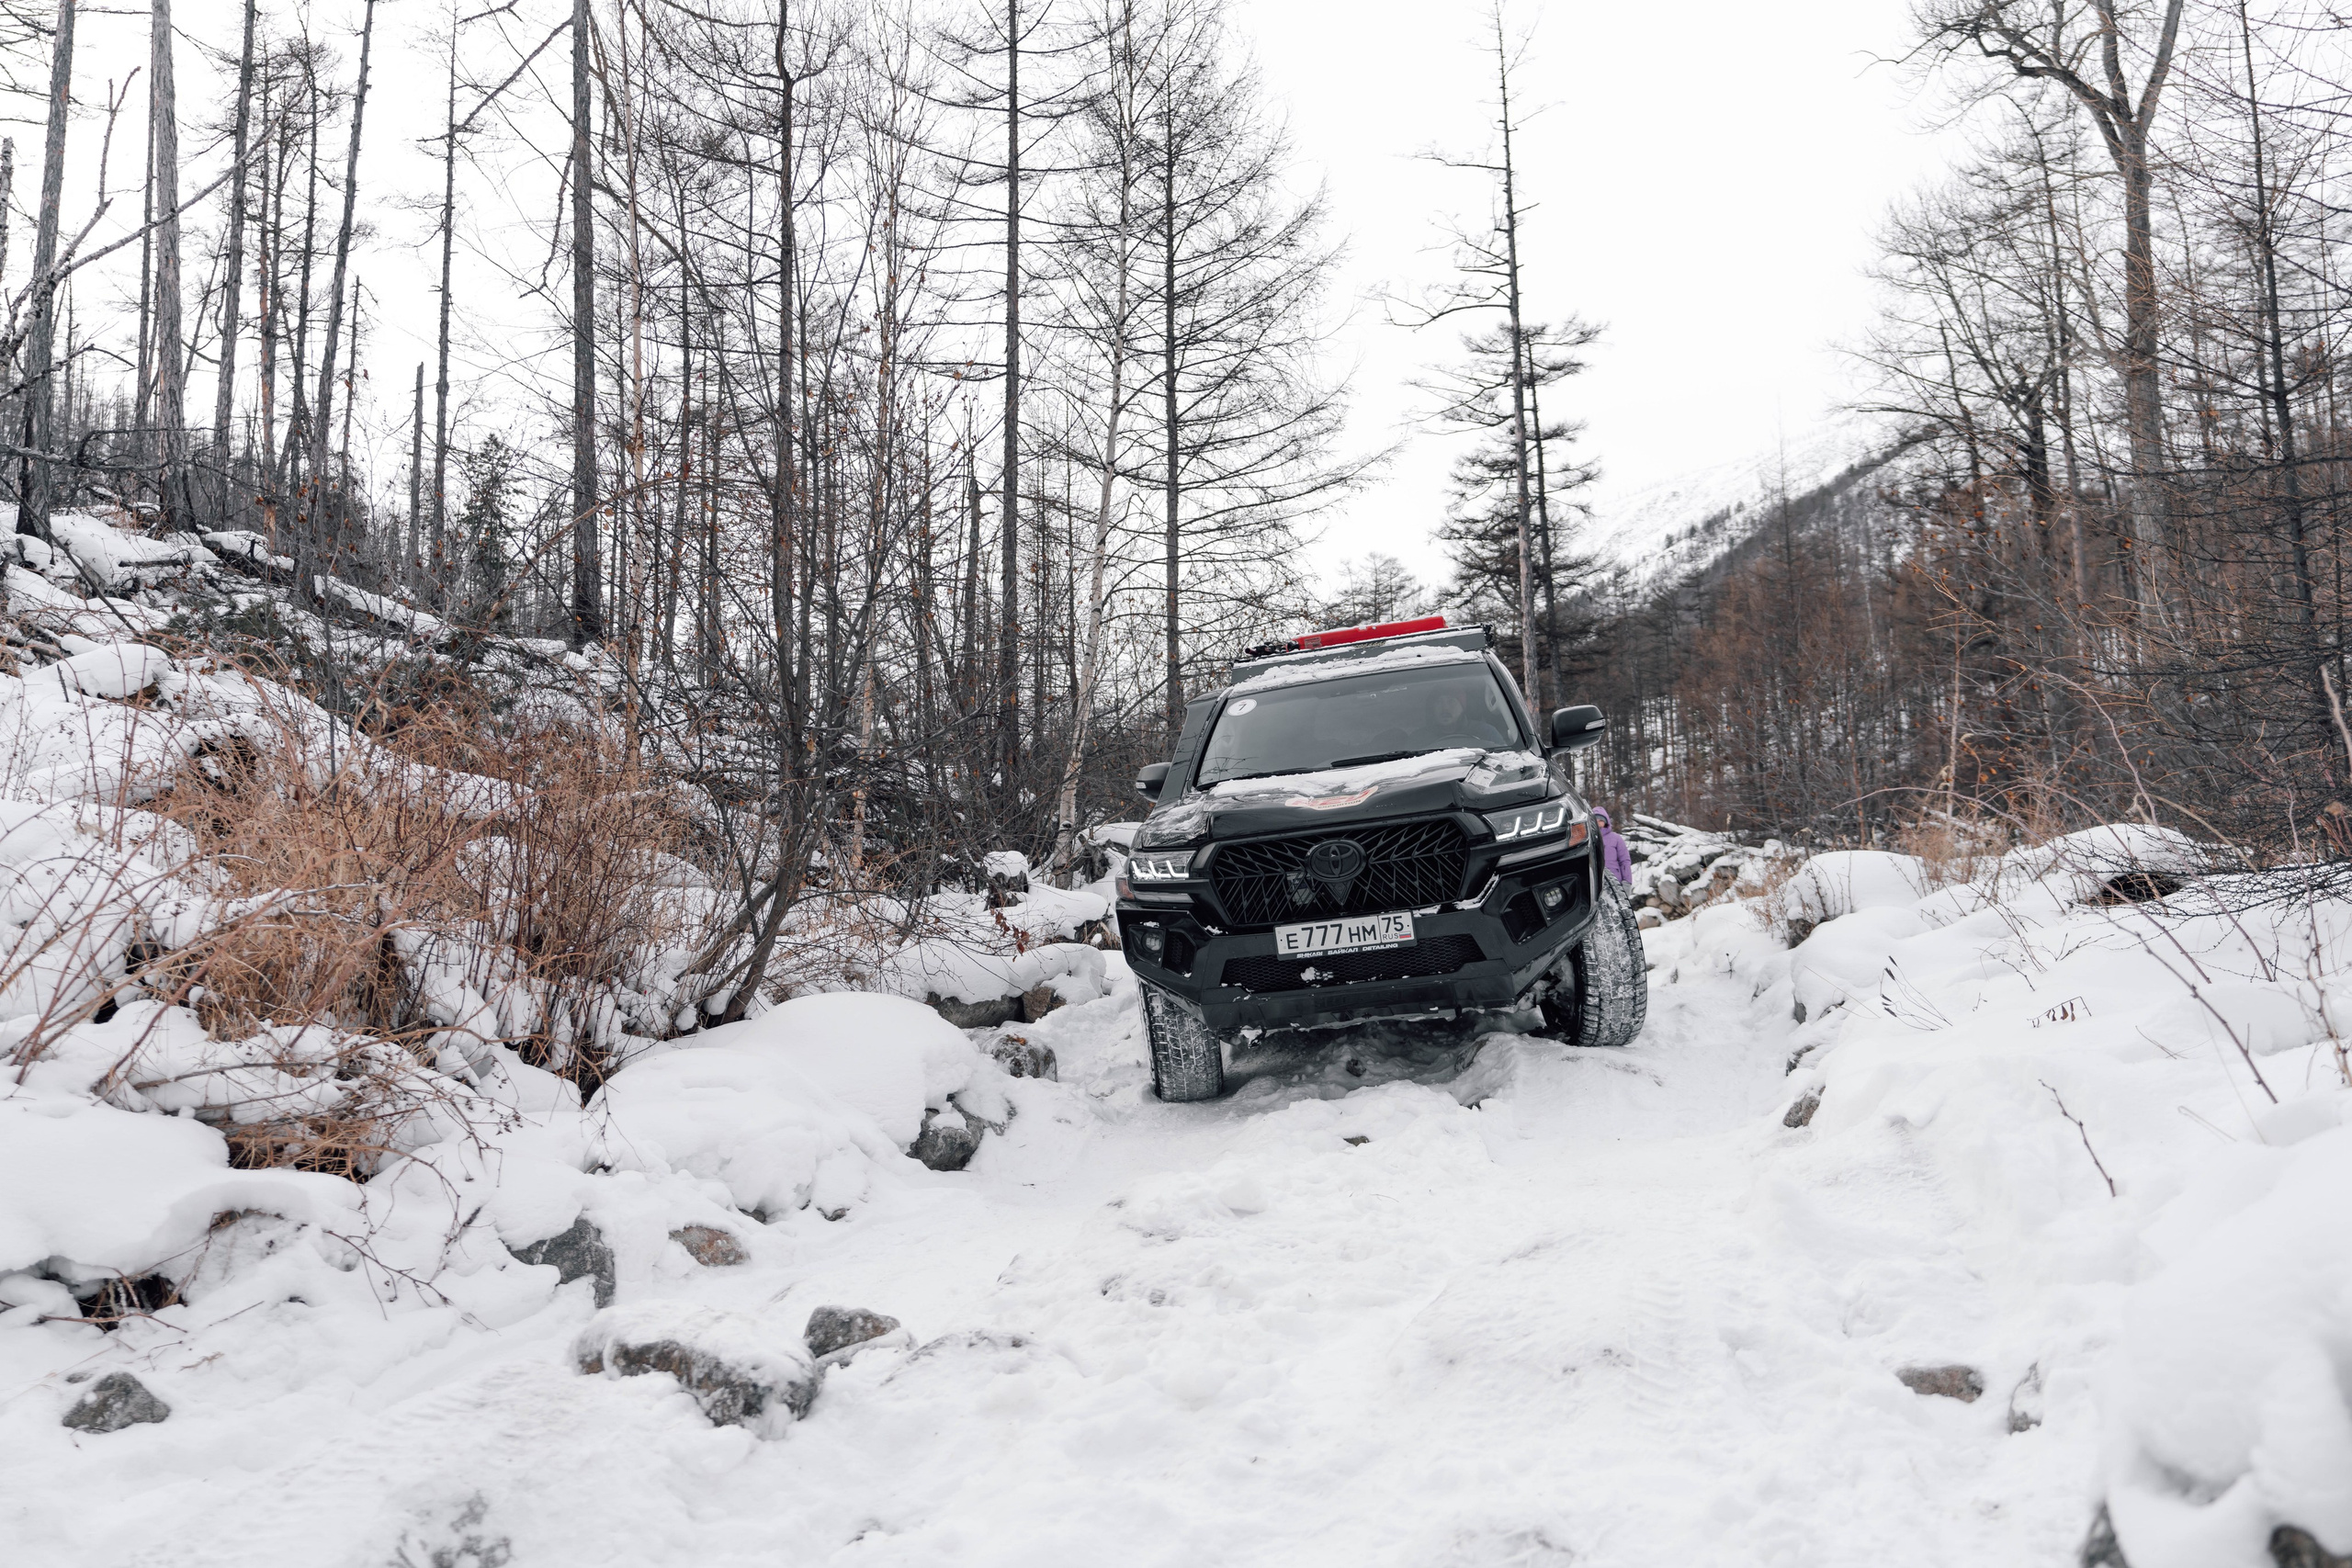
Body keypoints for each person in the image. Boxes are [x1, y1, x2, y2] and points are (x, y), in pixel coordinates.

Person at [1594, 806, 1632, 884]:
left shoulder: (1616, 838)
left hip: (1614, 881)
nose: (1598, 823)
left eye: (1601, 820)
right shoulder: (1587, 839)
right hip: (1593, 881)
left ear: (1606, 822)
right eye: (1595, 820)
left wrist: (1627, 882)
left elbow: (1624, 861)